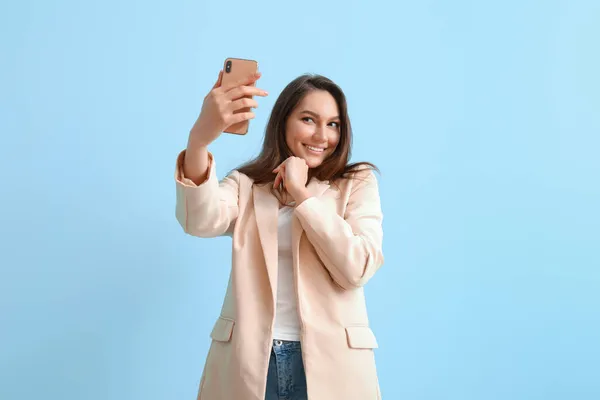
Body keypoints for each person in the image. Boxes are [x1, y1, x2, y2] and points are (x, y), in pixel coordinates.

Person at [174, 69, 385, 400]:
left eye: (333, 124)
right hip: (252, 362)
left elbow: (356, 267)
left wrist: (302, 194)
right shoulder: (247, 184)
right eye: (308, 119)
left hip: (333, 364)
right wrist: (199, 139)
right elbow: (199, 221)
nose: (322, 135)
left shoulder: (356, 183)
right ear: (283, 121)